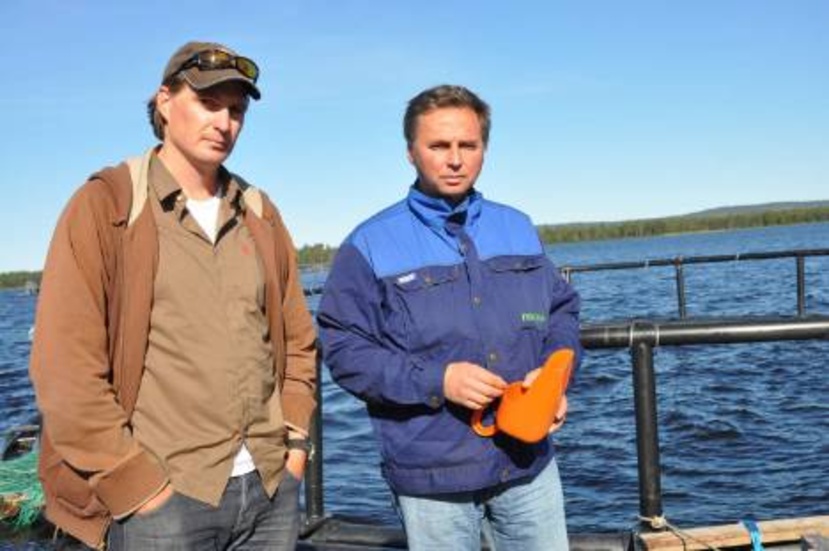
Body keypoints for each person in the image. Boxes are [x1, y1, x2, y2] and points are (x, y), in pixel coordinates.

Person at [29, 41, 317, 550]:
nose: (224, 123)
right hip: (165, 497)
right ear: (165, 102)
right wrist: (138, 487)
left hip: (271, 486)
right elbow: (64, 367)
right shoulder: (107, 204)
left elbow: (298, 342)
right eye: (209, 104)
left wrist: (294, 443)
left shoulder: (259, 212)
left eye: (236, 110)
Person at [317, 84, 582, 550]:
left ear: (484, 148)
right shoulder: (368, 245)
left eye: (468, 145)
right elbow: (346, 351)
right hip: (432, 478)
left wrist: (556, 375)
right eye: (439, 146)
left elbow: (561, 310)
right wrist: (439, 380)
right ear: (411, 153)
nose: (455, 159)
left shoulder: (516, 226)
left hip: (528, 462)